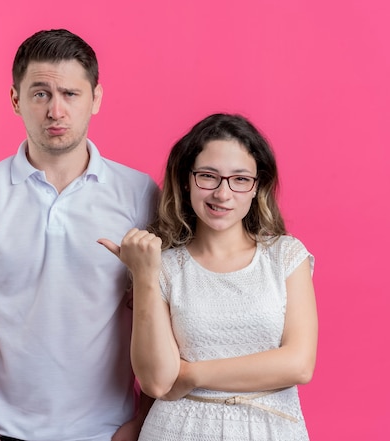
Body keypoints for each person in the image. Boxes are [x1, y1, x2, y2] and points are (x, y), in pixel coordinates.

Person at [0, 29, 158, 441]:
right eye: (40, 94)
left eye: (71, 94)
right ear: (16, 99)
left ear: (96, 99)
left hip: (109, 432)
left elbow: (169, 315)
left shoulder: (141, 194)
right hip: (0, 431)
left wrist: (142, 422)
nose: (56, 110)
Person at [99, 113, 318, 440]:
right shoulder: (166, 267)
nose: (223, 194)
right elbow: (158, 381)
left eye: (240, 179)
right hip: (176, 430)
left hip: (271, 428)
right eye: (208, 176)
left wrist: (190, 374)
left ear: (257, 186)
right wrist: (144, 277)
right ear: (186, 180)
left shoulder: (285, 256)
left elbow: (299, 364)